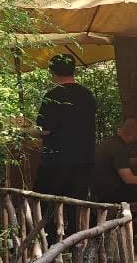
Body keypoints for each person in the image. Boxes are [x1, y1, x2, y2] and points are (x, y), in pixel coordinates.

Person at [35, 54, 97, 201]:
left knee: (48, 204)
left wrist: (25, 130)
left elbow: (45, 129)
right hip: (84, 159)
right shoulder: (87, 95)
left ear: (52, 72)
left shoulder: (52, 96)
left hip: (57, 162)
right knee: (78, 205)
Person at [92, 116, 137, 220]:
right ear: (135, 132)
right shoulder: (119, 148)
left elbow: (119, 163)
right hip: (112, 194)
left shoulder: (110, 143)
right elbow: (128, 178)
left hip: (100, 191)